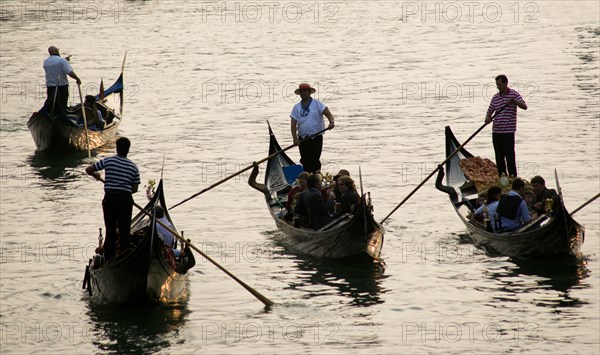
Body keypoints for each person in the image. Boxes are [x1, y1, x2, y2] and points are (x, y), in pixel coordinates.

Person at [85, 137, 140, 261]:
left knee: (110, 230)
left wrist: (96, 175)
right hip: (125, 200)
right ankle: (125, 258)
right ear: (128, 150)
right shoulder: (133, 167)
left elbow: (88, 170)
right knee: (125, 231)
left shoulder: (108, 161)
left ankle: (109, 259)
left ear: (117, 148)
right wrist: (123, 188)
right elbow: (135, 189)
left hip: (110, 199)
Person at [484, 74, 527, 177]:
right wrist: (487, 118)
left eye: (499, 84)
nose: (498, 87)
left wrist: (513, 102)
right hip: (496, 132)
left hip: (508, 133)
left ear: (505, 83)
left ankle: (513, 178)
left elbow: (524, 106)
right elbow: (490, 111)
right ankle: (503, 179)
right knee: (499, 158)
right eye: (497, 85)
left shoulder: (514, 94)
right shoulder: (495, 97)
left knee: (510, 158)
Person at [290, 83, 335, 174]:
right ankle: (306, 177)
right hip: (302, 138)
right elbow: (293, 125)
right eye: (302, 91)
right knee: (305, 160)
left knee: (314, 159)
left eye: (305, 91)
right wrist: (295, 139)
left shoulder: (317, 104)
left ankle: (316, 176)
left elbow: (329, 114)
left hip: (316, 136)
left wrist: (331, 122)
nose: (303, 93)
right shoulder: (296, 107)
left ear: (309, 92)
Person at [43, 46, 81, 117]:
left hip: (50, 86)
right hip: (62, 86)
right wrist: (77, 79)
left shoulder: (46, 61)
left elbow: (55, 65)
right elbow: (69, 72)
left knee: (52, 102)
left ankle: (52, 114)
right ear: (56, 51)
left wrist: (65, 60)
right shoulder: (61, 61)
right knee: (62, 102)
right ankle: (62, 115)